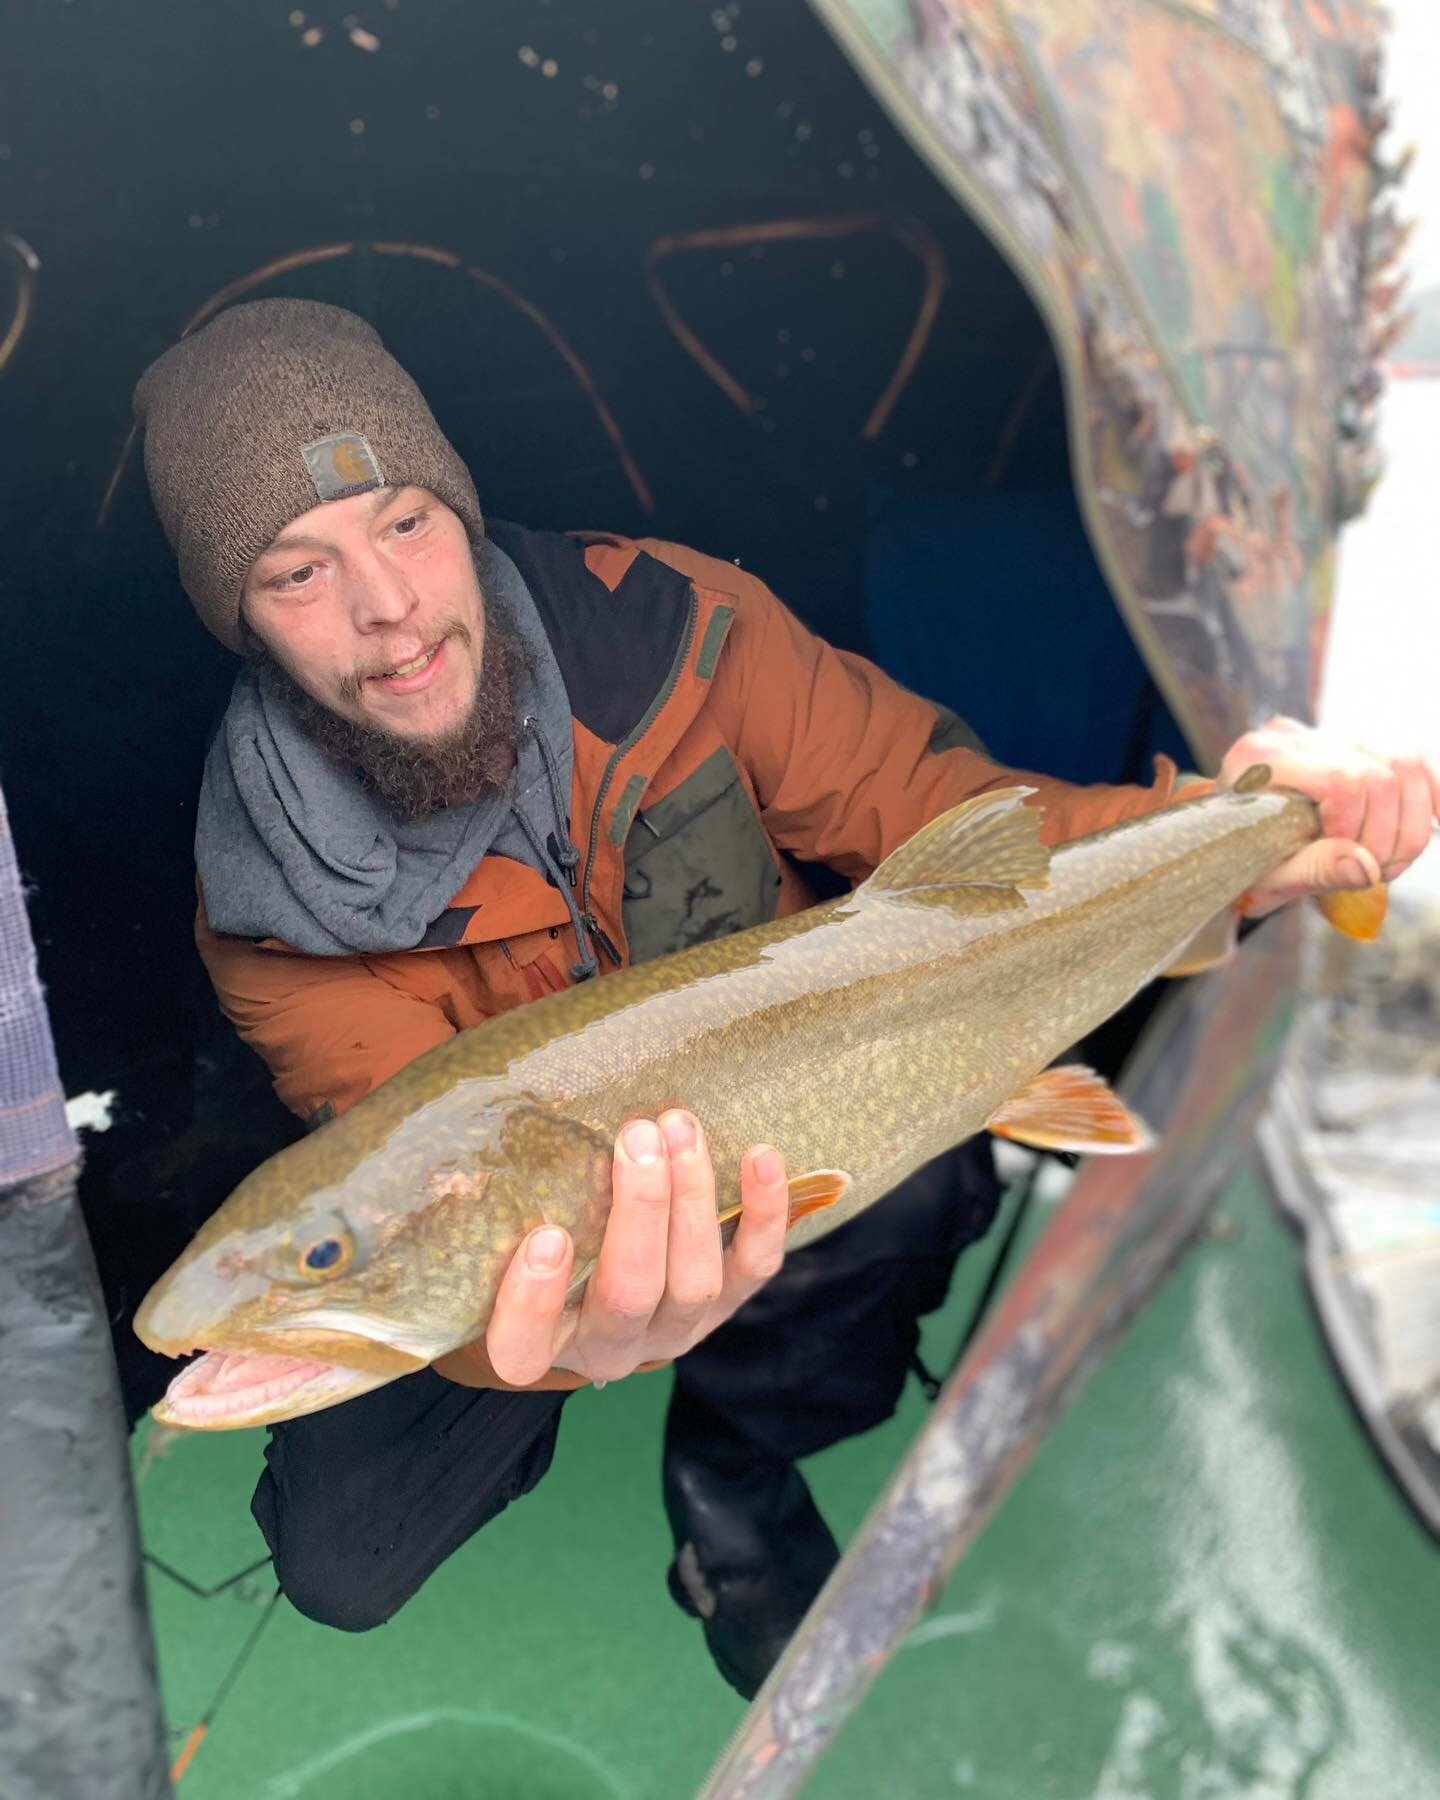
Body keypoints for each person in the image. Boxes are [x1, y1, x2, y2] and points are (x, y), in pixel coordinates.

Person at [133, 299, 1439, 1699]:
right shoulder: (270, 907)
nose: (387, 607)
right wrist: (563, 1359)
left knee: (929, 1188)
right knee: (344, 1551)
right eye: (296, 573)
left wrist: (1233, 832)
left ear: (460, 511)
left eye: (404, 523)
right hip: (530, 1250)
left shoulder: (680, 626)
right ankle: (578, 1407)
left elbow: (972, 832)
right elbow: (416, 1174)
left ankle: (731, 1465)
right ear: (245, 624)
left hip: (855, 1066)